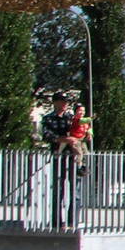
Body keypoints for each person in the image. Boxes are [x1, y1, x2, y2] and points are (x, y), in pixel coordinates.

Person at [38, 92, 82, 227]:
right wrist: (62, 139)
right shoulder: (48, 119)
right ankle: (57, 221)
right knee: (58, 190)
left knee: (75, 191)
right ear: (55, 102)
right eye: (62, 101)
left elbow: (79, 132)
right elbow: (47, 135)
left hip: (73, 157)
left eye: (66, 102)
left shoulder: (70, 118)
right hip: (58, 156)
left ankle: (72, 221)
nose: (65, 104)